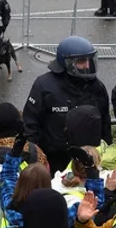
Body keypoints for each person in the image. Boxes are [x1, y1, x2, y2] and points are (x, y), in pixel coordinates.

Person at [23, 38, 111, 171]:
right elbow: (30, 123)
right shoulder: (44, 86)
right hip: (55, 159)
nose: (87, 65)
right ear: (67, 63)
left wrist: (106, 152)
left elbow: (105, 123)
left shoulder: (97, 88)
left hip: (87, 160)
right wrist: (35, 158)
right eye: (81, 61)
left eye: (89, 60)